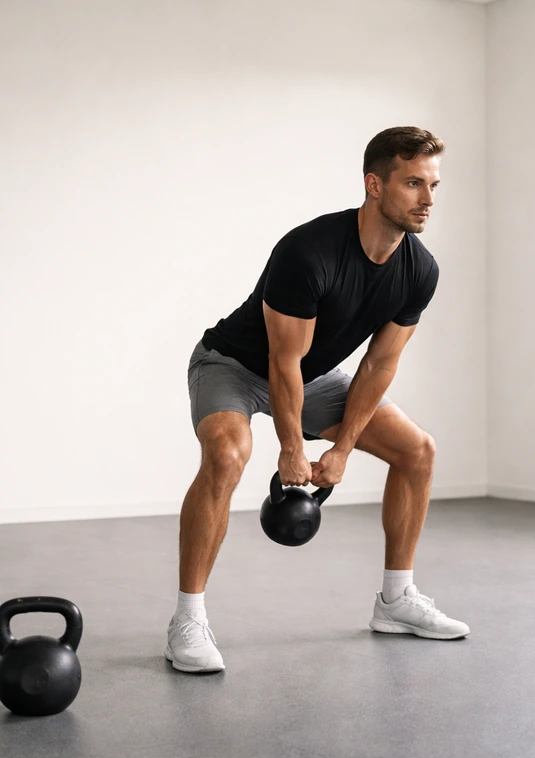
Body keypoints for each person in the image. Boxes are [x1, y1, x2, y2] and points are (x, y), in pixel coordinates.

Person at [165, 126, 470, 674]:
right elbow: (282, 362)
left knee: (417, 451)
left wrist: (343, 450)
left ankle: (396, 602)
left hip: (313, 377)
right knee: (229, 455)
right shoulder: (308, 251)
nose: (427, 199)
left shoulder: (419, 270)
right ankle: (188, 619)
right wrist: (290, 448)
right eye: (412, 184)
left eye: (433, 185)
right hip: (232, 366)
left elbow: (379, 364)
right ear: (374, 185)